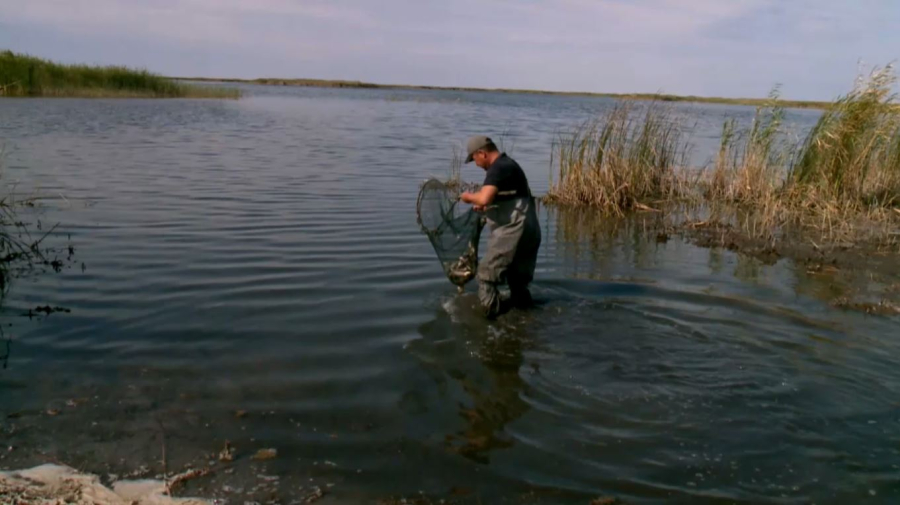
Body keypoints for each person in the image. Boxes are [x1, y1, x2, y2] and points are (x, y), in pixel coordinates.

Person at [460, 136, 541, 318]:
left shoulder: (498, 168)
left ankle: (493, 325)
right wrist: (486, 205)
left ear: (483, 153)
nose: (476, 164)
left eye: (475, 159)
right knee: (517, 281)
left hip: (514, 231)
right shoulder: (509, 165)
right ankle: (525, 319)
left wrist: (469, 197)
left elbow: (483, 197)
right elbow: (509, 197)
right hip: (530, 232)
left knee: (486, 276)